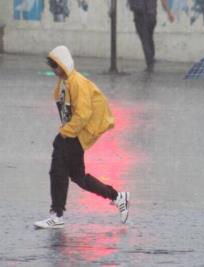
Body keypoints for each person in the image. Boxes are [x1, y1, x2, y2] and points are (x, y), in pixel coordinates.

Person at [34, 45, 130, 229]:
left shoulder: (76, 82)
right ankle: (117, 197)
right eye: (52, 66)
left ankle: (57, 214)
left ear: (63, 64)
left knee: (58, 172)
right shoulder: (66, 81)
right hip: (73, 135)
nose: (54, 70)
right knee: (78, 177)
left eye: (56, 66)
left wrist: (65, 133)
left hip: (74, 136)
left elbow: (83, 114)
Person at [128, 0, 175, 72]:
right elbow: (164, 1)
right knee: (149, 38)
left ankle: (150, 64)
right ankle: (151, 59)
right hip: (152, 15)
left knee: (145, 40)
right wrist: (169, 13)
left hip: (140, 15)